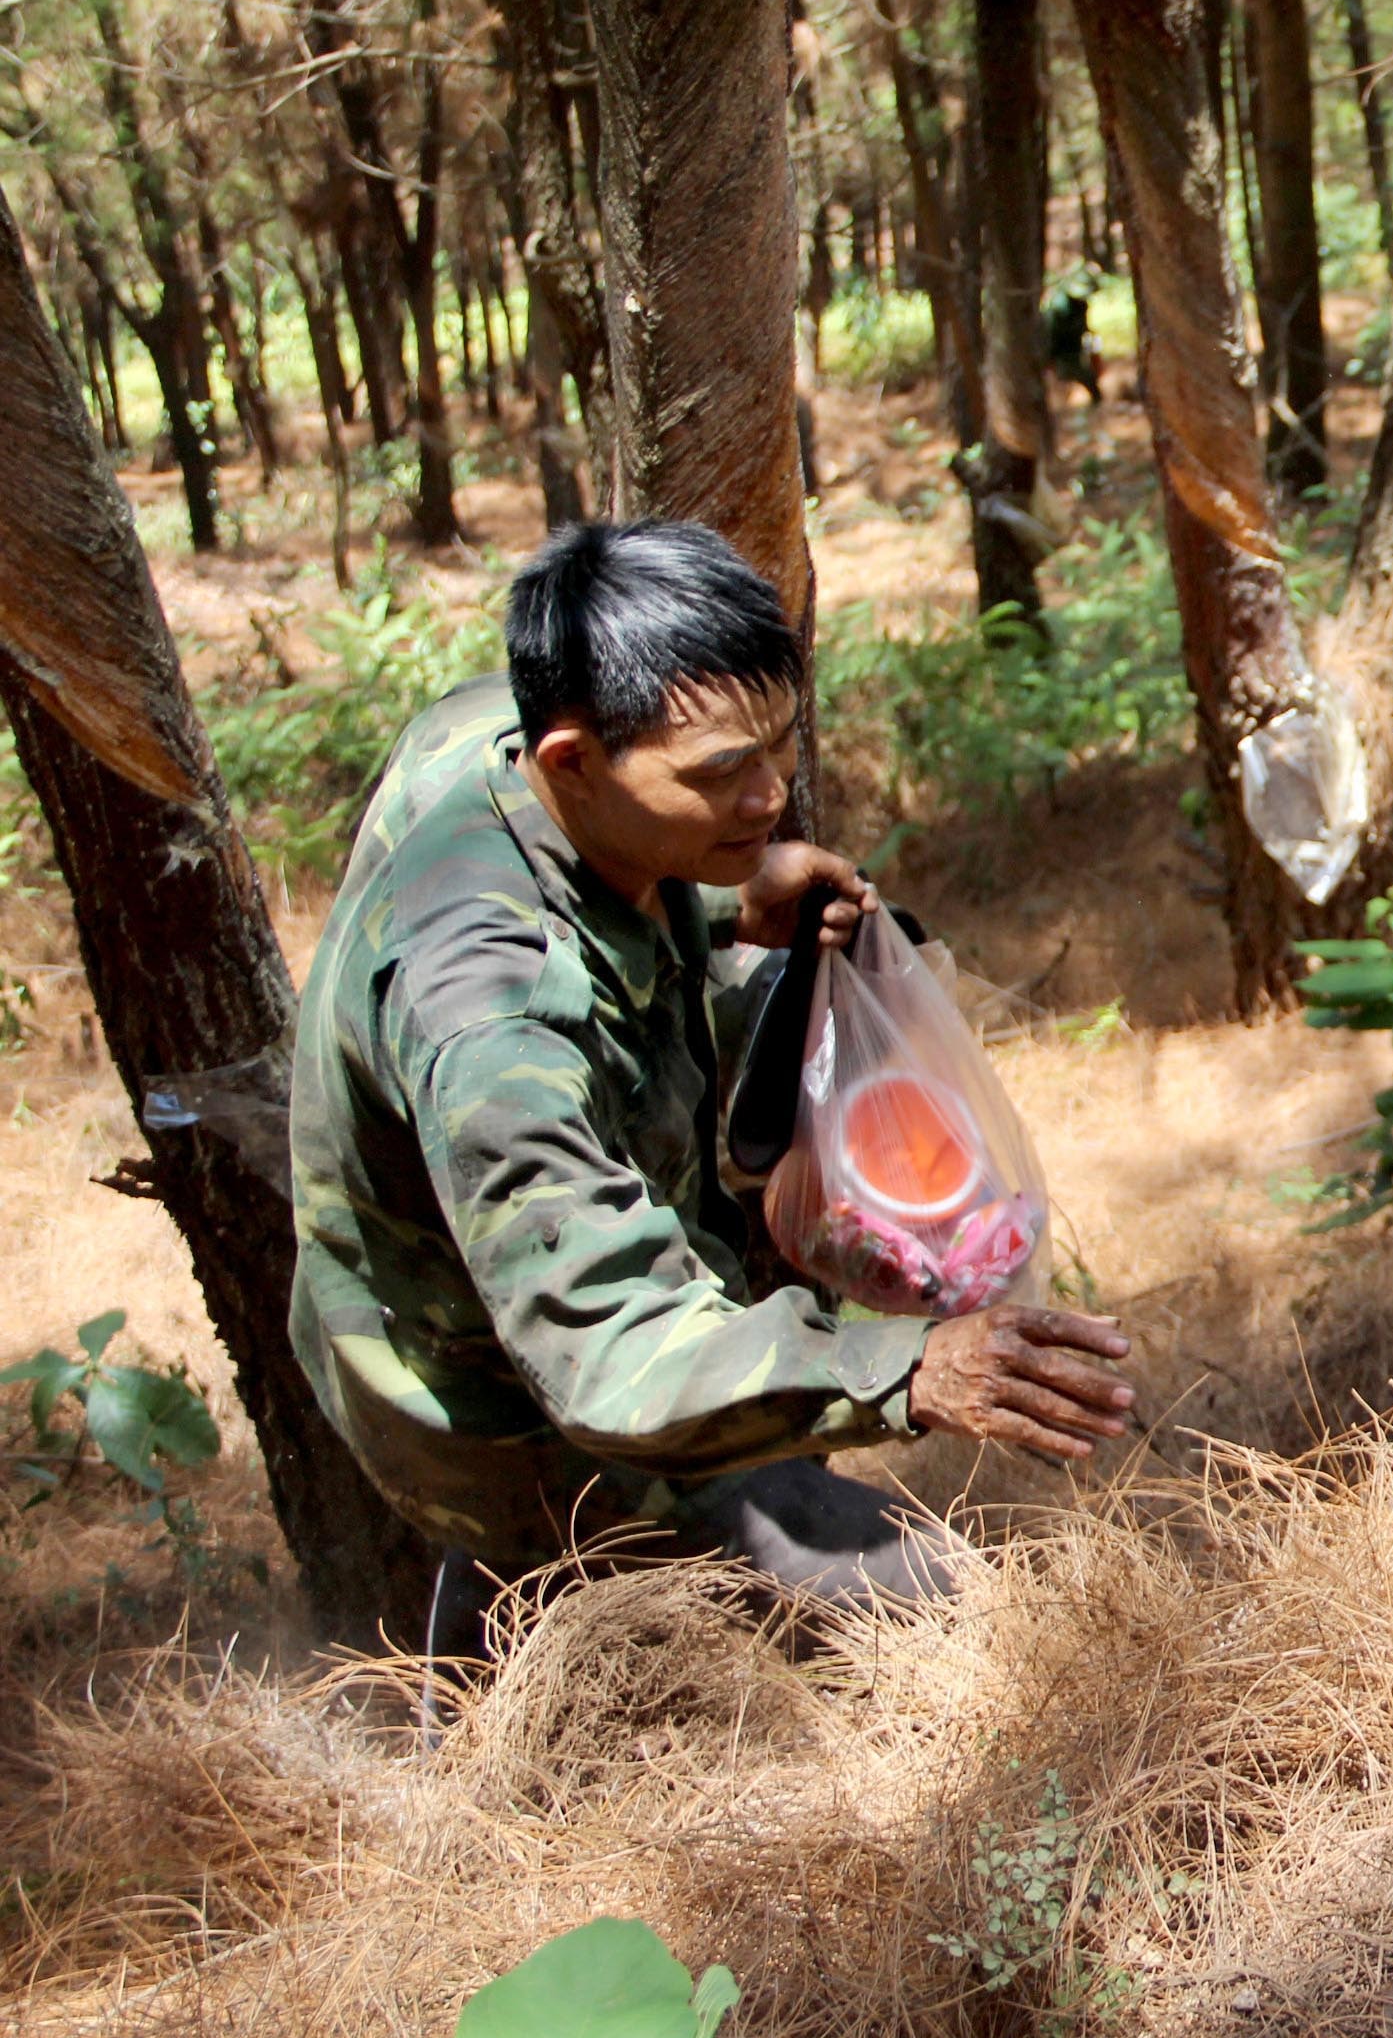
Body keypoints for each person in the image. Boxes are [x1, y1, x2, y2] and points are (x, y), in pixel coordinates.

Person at [287, 519, 1138, 1650]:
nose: (771, 801)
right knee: (947, 1628)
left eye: (776, 750)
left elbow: (594, 926)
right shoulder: (488, 1018)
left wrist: (714, 904)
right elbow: (606, 1344)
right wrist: (907, 1371)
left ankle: (504, 1632)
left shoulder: (498, 728)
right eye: (721, 776)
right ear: (571, 763)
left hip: (539, 1312)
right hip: (515, 1387)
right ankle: (513, 1624)